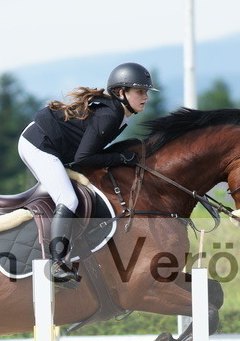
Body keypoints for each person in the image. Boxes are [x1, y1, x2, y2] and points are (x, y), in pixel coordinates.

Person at [18, 62, 158, 285]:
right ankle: (56, 263)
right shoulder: (110, 116)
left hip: (47, 142)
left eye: (146, 92)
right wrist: (121, 158)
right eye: (140, 92)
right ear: (121, 92)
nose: (145, 97)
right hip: (39, 144)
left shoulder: (116, 113)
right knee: (68, 199)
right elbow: (84, 158)